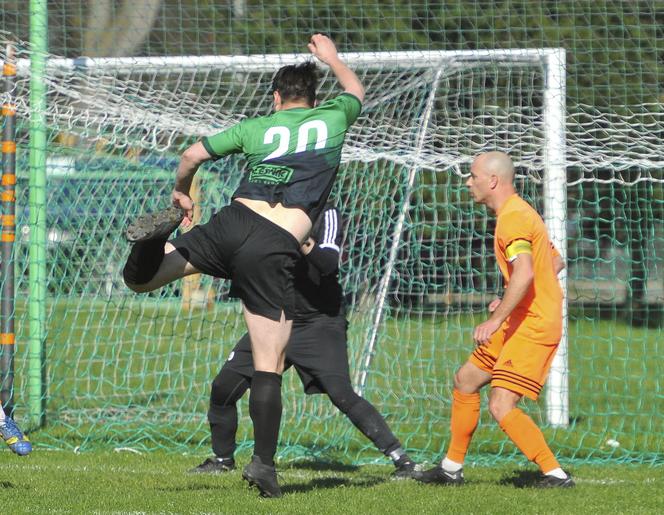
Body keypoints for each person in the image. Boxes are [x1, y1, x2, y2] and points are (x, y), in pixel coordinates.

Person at [121, 34, 364, 498]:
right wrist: (331, 59)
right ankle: (264, 466)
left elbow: (192, 154)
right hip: (273, 243)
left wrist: (183, 194)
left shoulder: (255, 127)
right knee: (269, 361)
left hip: (232, 222)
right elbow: (355, 91)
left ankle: (154, 240)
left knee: (143, 280)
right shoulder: (335, 117)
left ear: (275, 98)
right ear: (314, 100)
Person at [189, 204, 418, 481]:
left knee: (340, 393)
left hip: (317, 324)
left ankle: (402, 461)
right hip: (274, 317)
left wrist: (300, 237)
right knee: (224, 387)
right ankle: (222, 459)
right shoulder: (266, 211)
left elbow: (328, 264)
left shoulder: (326, 214)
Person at [416, 151, 573, 488]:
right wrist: (510, 298)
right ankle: (450, 468)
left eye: (472, 176)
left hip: (533, 325)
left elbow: (526, 271)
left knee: (501, 404)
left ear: (492, 180)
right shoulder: (519, 213)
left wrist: (495, 318)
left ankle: (555, 474)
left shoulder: (513, 218)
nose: (468, 182)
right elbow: (554, 263)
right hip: (518, 318)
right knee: (466, 380)